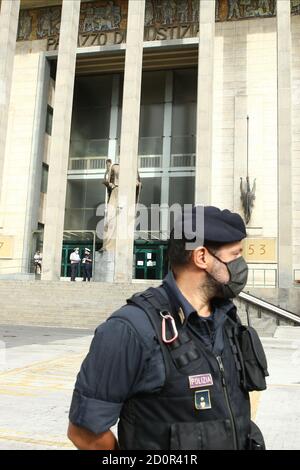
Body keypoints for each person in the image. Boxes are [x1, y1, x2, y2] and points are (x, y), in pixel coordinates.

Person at [67, 206, 267, 450]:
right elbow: (84, 433)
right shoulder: (130, 329)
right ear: (202, 257)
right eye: (235, 255)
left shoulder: (228, 319)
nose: (241, 264)